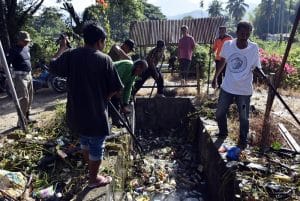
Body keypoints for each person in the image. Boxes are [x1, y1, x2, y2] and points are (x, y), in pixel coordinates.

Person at [49, 22, 123, 188]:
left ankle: (90, 171)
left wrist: (62, 48)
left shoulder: (71, 55)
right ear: (99, 41)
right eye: (103, 42)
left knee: (84, 141)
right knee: (97, 145)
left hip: (76, 112)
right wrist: (104, 98)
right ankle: (93, 179)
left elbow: (53, 65)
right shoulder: (104, 59)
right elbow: (116, 88)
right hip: (96, 113)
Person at [212, 21, 262, 149]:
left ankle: (242, 140)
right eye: (242, 33)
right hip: (227, 87)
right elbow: (222, 61)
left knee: (244, 117)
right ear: (237, 32)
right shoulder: (228, 45)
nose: (244, 35)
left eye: (247, 33)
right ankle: (223, 133)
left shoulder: (254, 47)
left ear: (250, 33)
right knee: (219, 113)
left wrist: (262, 75)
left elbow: (256, 67)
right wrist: (215, 77)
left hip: (244, 91)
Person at [7, 31, 34, 126]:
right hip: (19, 77)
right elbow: (6, 63)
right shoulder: (13, 50)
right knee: (24, 99)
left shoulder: (26, 48)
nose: (27, 42)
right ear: (19, 40)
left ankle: (27, 117)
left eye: (28, 41)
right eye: (25, 41)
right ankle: (21, 121)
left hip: (29, 75)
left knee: (30, 98)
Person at [110, 59, 148, 127]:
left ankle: (116, 121)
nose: (141, 73)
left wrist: (125, 104)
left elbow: (128, 89)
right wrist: (117, 90)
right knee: (113, 99)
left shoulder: (133, 75)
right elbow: (116, 77)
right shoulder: (127, 65)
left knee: (117, 100)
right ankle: (113, 121)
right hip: (106, 77)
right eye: (141, 70)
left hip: (113, 84)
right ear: (138, 66)